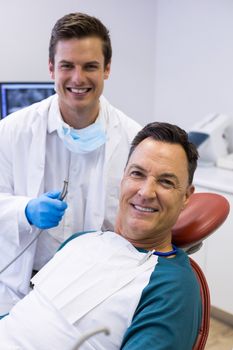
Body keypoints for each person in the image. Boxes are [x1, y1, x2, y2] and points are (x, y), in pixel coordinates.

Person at [0, 122, 201, 350]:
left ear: (186, 196)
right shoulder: (81, 241)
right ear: (123, 179)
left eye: (166, 181)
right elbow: (23, 319)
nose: (145, 192)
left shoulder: (171, 287)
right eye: (137, 174)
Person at [0, 12, 141, 315]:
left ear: (107, 69)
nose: (78, 79)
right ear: (52, 68)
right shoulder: (12, 131)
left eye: (90, 66)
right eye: (67, 66)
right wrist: (25, 210)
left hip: (96, 288)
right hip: (23, 286)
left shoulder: (133, 140)